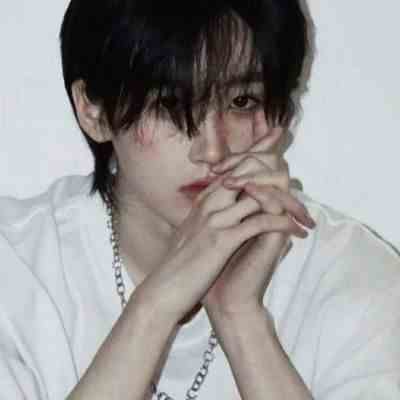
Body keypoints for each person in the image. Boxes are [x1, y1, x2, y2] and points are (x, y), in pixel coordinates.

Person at [1, 0, 399, 399]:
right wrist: (155, 307)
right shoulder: (17, 270)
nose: (212, 149)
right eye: (170, 105)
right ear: (94, 111)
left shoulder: (349, 272)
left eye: (241, 102)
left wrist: (240, 317)